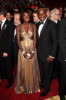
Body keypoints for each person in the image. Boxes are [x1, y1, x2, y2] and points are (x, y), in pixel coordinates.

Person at [15, 9, 40, 94]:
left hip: (32, 49)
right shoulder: (18, 27)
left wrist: (33, 51)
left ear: (30, 17)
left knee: (33, 68)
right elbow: (18, 41)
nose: (26, 17)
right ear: (22, 16)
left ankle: (33, 86)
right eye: (25, 15)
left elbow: (35, 39)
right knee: (23, 68)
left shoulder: (33, 25)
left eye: (28, 15)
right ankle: (23, 86)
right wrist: (23, 52)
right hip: (22, 51)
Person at [36, 7, 57, 97]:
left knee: (48, 73)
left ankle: (47, 89)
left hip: (48, 55)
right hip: (39, 54)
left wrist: (52, 55)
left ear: (46, 14)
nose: (41, 15)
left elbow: (55, 41)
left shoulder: (52, 24)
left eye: (43, 13)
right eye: (39, 14)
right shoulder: (36, 24)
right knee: (42, 72)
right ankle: (44, 84)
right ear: (38, 15)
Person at [0, 9, 14, 88]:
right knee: (1, 64)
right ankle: (4, 76)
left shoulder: (9, 24)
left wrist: (6, 51)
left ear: (2, 15)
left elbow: (10, 39)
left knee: (8, 66)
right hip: (0, 49)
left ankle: (10, 80)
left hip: (6, 50)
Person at [58, 17, 66, 100]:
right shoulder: (63, 21)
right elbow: (61, 40)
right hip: (64, 55)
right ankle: (62, 93)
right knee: (64, 77)